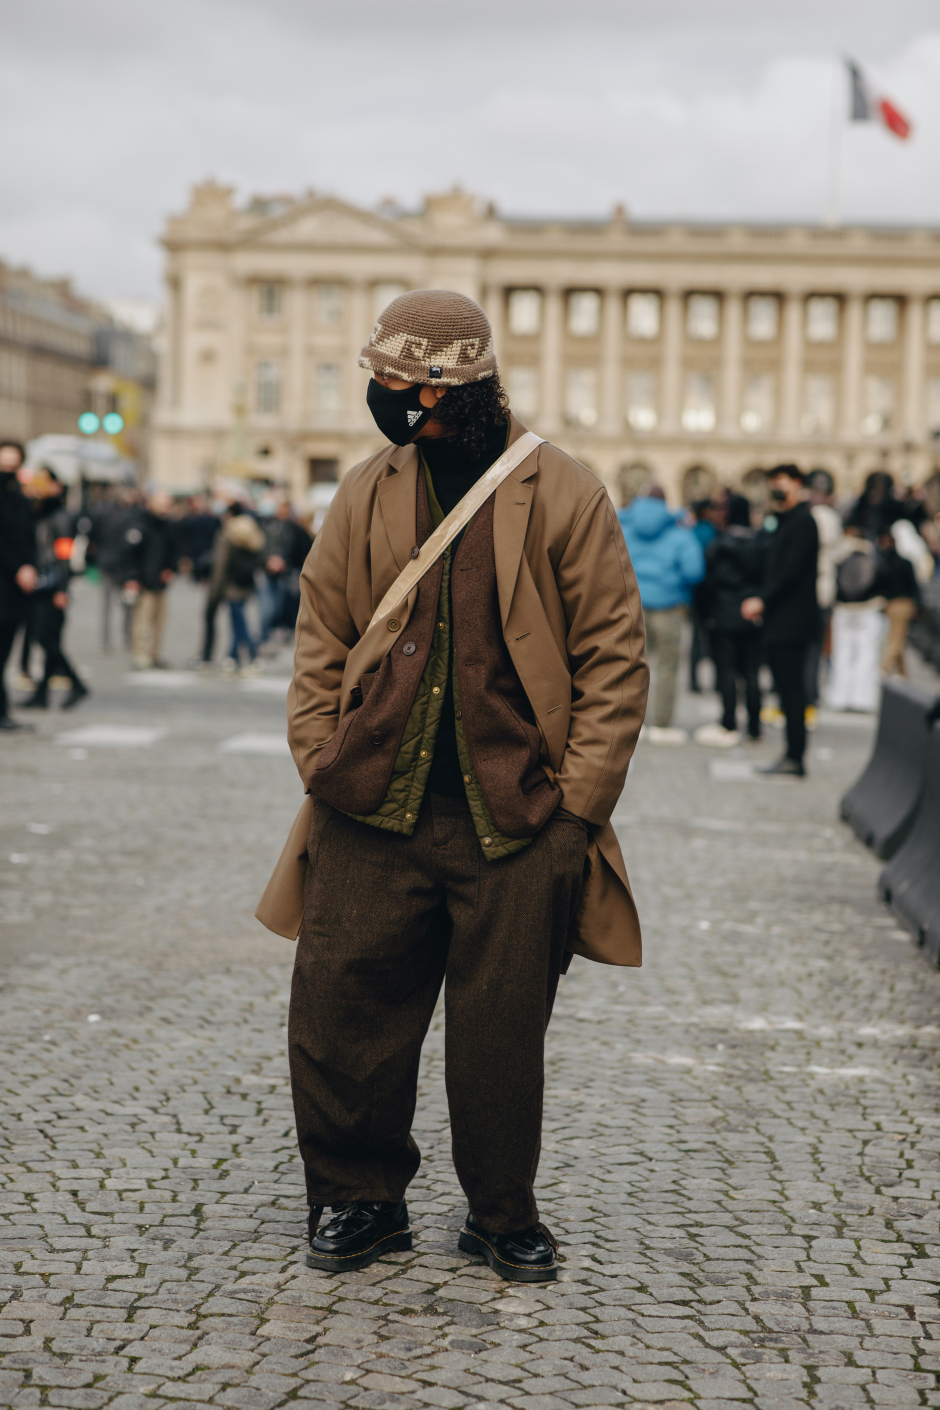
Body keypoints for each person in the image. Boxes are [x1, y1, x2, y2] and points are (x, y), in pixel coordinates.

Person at [255, 289, 649, 1283]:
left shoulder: (565, 491)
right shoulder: (366, 489)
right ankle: (358, 1198)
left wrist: (575, 811)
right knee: (340, 1014)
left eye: (396, 381)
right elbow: (320, 636)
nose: (380, 394)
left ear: (451, 387)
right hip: (367, 806)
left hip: (516, 814)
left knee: (501, 1032)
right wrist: (319, 758)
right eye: (377, 376)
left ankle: (500, 1212)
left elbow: (614, 661)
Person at [742, 465, 819, 776]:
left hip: (792, 620)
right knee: (785, 689)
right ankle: (791, 753)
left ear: (797, 484)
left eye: (780, 481)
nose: (776, 487)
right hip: (780, 620)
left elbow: (790, 571)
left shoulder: (803, 522)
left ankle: (795, 756)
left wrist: (762, 599)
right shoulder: (784, 521)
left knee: (792, 690)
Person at [617, 486, 704, 744]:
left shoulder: (624, 526)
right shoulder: (678, 531)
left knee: (629, 666)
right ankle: (662, 724)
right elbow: (694, 571)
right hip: (668, 607)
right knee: (667, 667)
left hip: (632, 607)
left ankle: (629, 723)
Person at [694, 493, 765, 746]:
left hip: (723, 614)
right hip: (752, 615)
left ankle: (729, 722)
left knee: (726, 672)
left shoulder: (719, 545)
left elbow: (707, 583)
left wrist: (705, 615)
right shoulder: (761, 544)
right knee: (751, 672)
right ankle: (755, 726)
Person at [19, 468, 89, 710]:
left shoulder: (60, 516)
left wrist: (62, 588)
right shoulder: (35, 513)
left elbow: (64, 555)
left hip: (51, 586)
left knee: (46, 639)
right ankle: (42, 694)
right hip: (39, 585)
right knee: (47, 640)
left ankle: (76, 684)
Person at [826, 527, 885, 712]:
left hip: (843, 610)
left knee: (842, 655)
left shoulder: (841, 559)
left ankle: (839, 696)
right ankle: (863, 698)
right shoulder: (875, 559)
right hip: (868, 610)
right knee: (866, 655)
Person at [0, 440, 37, 730]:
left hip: (15, 591)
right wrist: (19, 568)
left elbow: (28, 539)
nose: (8, 469)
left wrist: (30, 567)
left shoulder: (20, 499)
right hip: (7, 581)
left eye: (13, 464)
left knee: (5, 651)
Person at [123, 491, 178, 670]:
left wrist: (171, 569)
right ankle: (140, 653)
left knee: (159, 620)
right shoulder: (140, 524)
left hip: (161, 582)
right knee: (142, 620)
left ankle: (154, 654)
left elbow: (173, 551)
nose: (165, 508)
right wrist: (132, 577)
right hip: (144, 581)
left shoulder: (168, 525)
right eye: (161, 504)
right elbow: (130, 553)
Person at [805, 469, 843, 722]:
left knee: (807, 648)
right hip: (826, 590)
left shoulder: (809, 517)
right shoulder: (832, 518)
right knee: (817, 648)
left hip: (810, 591)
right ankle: (813, 694)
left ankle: (807, 695)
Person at [210, 505, 266, 672]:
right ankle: (232, 657)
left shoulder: (228, 533)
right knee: (239, 620)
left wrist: (215, 591)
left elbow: (220, 565)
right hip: (246, 584)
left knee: (239, 623)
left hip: (231, 585)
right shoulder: (251, 530)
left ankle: (252, 656)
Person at [90, 487, 142, 651]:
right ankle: (127, 639)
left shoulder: (101, 512)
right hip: (122, 564)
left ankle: (106, 641)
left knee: (107, 604)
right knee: (127, 603)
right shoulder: (130, 515)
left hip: (106, 561)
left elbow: (93, 536)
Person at [258, 500, 312, 648]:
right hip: (271, 573)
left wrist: (286, 562)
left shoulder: (295, 529)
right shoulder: (269, 527)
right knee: (269, 608)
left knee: (283, 605)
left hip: (288, 572)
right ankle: (265, 638)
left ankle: (281, 632)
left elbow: (302, 549)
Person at [878, 529, 920, 678]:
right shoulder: (900, 563)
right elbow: (914, 586)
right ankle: (900, 672)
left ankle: (886, 669)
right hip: (898, 604)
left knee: (896, 637)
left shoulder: (888, 564)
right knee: (898, 636)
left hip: (898, 603)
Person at [688, 498, 719, 693]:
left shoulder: (690, 532)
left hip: (694, 592)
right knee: (713, 637)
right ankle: (717, 681)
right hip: (712, 591)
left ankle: (693, 680)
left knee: (696, 638)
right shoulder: (712, 532)